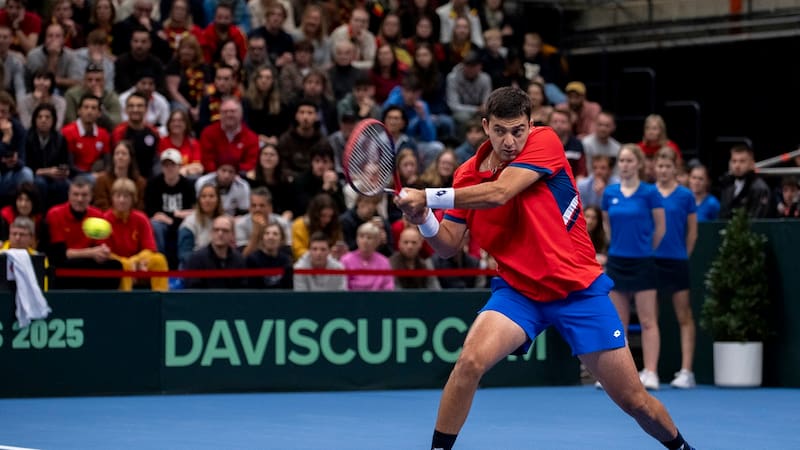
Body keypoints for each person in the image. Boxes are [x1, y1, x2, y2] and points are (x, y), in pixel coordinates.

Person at [394, 87, 693, 450]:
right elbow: (447, 246)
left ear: (530, 124)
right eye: (500, 130)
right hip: (520, 292)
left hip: (579, 290)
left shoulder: (545, 141)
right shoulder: (465, 176)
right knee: (470, 361)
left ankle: (682, 448)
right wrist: (424, 218)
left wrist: (427, 196)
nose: (510, 140)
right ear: (485, 126)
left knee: (635, 402)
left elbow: (500, 192)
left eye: (518, 130)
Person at [602, 143, 666, 390]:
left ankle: (650, 371)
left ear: (639, 164)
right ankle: (618, 374)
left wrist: (644, 248)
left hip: (643, 262)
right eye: (622, 161)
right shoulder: (609, 193)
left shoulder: (650, 193)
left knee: (649, 320)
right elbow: (607, 226)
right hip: (617, 261)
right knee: (618, 322)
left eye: (630, 161)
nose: (625, 165)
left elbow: (660, 229)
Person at [653, 147, 698, 389]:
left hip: (677, 261)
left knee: (684, 316)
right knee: (652, 317)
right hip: (652, 262)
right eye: (659, 166)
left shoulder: (685, 196)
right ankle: (652, 371)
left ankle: (686, 371)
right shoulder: (649, 194)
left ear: (675, 169)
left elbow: (692, 232)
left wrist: (683, 254)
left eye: (667, 166)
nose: (663, 170)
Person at [44, 176, 124, 289]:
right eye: (75, 194)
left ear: (91, 197)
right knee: (62, 265)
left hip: (88, 262)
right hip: (65, 263)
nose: (80, 199)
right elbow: (60, 253)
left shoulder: (97, 215)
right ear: (69, 195)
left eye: (84, 195)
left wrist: (103, 251)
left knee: (115, 266)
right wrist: (92, 252)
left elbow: (101, 247)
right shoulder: (55, 214)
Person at [103, 178, 169, 291]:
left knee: (159, 260)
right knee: (123, 266)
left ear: (133, 199)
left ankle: (161, 300)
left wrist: (135, 260)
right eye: (118, 196)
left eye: (126, 196)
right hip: (116, 264)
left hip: (139, 263)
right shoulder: (105, 220)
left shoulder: (141, 218)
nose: (122, 200)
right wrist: (127, 263)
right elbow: (105, 252)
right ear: (112, 198)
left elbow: (149, 248)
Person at [144, 149, 196, 268]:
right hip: (162, 222)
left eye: (172, 164)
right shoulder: (154, 184)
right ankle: (160, 264)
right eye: (166, 165)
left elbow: (195, 210)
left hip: (183, 221)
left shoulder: (187, 184)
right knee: (155, 225)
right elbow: (150, 210)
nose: (169, 168)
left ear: (179, 166)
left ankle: (183, 267)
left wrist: (175, 216)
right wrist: (174, 216)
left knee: (188, 226)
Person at [24, 103, 70, 209]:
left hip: (54, 176)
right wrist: (47, 171)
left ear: (53, 120)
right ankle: (41, 215)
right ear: (34, 120)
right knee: (40, 183)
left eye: (47, 117)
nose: (43, 120)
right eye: (40, 117)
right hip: (35, 174)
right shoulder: (27, 137)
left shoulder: (60, 139)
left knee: (64, 185)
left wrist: (64, 171)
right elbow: (26, 165)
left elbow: (65, 162)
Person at [184, 215, 249, 289]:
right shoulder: (196, 259)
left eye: (225, 230)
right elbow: (192, 290)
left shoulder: (239, 260)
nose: (220, 234)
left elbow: (243, 290)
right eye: (216, 230)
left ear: (232, 235)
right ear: (211, 233)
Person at [199, 97, 259, 174]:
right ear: (220, 114)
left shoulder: (251, 137)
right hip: (214, 176)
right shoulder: (208, 133)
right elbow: (207, 161)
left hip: (241, 177)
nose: (229, 114)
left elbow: (251, 163)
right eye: (225, 112)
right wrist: (223, 173)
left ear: (241, 114)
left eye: (233, 111)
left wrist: (230, 172)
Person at [111, 91, 161, 179]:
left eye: (139, 106)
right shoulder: (119, 132)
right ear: (126, 110)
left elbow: (157, 158)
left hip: (149, 178)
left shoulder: (154, 132)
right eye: (131, 106)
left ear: (146, 109)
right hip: (125, 178)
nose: (135, 109)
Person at [61, 94, 111, 176]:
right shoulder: (67, 132)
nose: (89, 111)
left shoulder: (103, 134)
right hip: (74, 176)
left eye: (93, 108)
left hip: (97, 176)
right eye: (86, 107)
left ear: (99, 113)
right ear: (79, 111)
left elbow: (108, 163)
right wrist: (90, 176)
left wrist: (103, 174)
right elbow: (70, 165)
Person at [63, 63, 121, 132]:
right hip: (78, 134)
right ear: (84, 81)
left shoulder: (111, 96)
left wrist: (100, 103)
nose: (93, 83)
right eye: (89, 80)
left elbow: (116, 124)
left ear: (104, 82)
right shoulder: (71, 95)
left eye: (98, 80)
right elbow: (71, 121)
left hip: (103, 134)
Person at [719, 143, 771, 219]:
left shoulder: (760, 188)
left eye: (742, 161)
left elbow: (758, 220)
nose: (737, 165)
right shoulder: (727, 186)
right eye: (734, 161)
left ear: (751, 163)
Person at [92, 140, 147, 211]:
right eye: (117, 153)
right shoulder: (102, 180)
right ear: (113, 157)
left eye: (124, 154)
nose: (120, 157)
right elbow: (101, 204)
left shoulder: (140, 182)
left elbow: (140, 206)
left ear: (130, 158)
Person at [177, 183, 223, 266]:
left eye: (211, 196)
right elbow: (184, 254)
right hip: (195, 266)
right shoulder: (189, 223)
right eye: (203, 196)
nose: (207, 200)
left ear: (218, 200)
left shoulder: (225, 221)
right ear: (199, 200)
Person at [339, 222, 394, 291]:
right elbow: (342, 286)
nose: (365, 241)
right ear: (357, 239)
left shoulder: (384, 262)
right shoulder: (346, 260)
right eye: (361, 236)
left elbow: (388, 287)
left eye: (369, 238)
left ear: (377, 241)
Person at [0, 92, 34, 201]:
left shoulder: (18, 128)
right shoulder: (8, 133)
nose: (0, 115)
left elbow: (23, 159)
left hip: (11, 172)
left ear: (10, 114)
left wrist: (15, 162)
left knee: (26, 173)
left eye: (4, 112)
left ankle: (23, 208)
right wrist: (6, 138)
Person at [245, 143, 294, 218]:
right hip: (255, 216)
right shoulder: (250, 179)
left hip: (279, 219)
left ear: (279, 158)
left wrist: (284, 220)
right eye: (265, 154)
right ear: (259, 158)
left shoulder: (287, 180)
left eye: (272, 155)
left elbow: (290, 208)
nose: (268, 157)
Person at [290, 192, 343, 262]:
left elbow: (338, 245)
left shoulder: (334, 224)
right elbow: (298, 252)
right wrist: (323, 255)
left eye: (330, 216)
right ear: (314, 214)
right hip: (305, 265)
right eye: (323, 216)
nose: (327, 220)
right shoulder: (299, 224)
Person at [243, 220, 293, 289]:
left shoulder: (286, 260)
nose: (270, 237)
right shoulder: (252, 259)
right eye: (267, 233)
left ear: (281, 239)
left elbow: (288, 288)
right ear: (262, 238)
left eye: (275, 234)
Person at [158, 110, 204, 178]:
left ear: (186, 124)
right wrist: (182, 170)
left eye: (180, 121)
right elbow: (161, 166)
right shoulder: (162, 142)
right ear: (169, 124)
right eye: (173, 121)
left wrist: (184, 169)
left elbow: (198, 167)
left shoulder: (193, 143)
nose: (176, 124)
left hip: (187, 177)